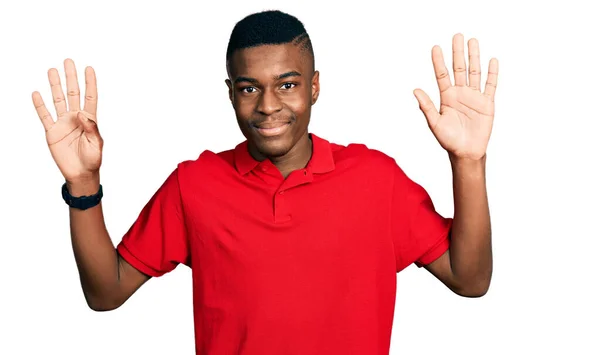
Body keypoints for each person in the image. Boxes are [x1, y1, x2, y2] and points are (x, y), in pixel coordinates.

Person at [32, 9, 498, 355]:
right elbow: (105, 293)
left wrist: (469, 162)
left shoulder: (376, 179)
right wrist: (83, 183)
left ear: (314, 86)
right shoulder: (194, 185)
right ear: (231, 92)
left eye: (288, 84)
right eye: (249, 87)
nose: (268, 105)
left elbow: (470, 279)